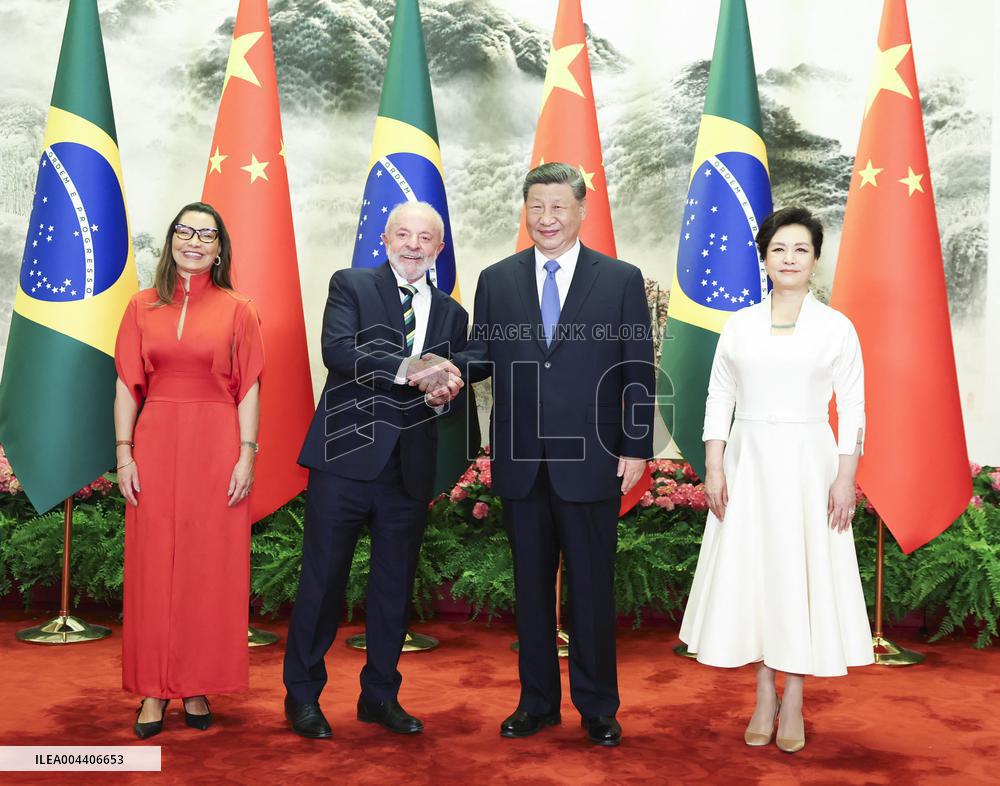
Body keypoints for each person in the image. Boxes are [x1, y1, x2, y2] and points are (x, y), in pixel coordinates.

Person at [454, 162, 654, 747]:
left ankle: (597, 708)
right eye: (536, 207)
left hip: (593, 457)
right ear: (526, 210)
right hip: (521, 460)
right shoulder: (497, 279)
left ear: (580, 210)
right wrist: (441, 370)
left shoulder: (619, 279)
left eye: (558, 207)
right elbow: (481, 355)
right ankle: (536, 702)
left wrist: (636, 446)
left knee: (591, 589)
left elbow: (636, 370)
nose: (546, 218)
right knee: (531, 589)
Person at [678, 206, 874, 753]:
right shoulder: (739, 326)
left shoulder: (836, 327)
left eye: (801, 250)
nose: (789, 259)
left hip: (811, 466)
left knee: (798, 576)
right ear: (763, 258)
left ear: (815, 260)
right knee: (758, 577)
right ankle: (764, 692)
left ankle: (794, 700)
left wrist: (844, 478)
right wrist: (715, 465)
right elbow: (720, 397)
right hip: (748, 464)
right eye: (779, 250)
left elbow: (853, 409)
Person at [283, 201, 467, 739]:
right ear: (385, 238)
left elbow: (447, 387)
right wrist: (409, 369)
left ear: (439, 248)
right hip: (344, 459)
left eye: (425, 238)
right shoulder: (352, 285)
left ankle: (380, 696)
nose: (413, 245)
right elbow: (337, 352)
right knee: (321, 583)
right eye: (403, 234)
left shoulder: (453, 314)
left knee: (393, 588)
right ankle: (302, 698)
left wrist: (441, 394)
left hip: (408, 469)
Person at [114, 202, 263, 739]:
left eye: (206, 235)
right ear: (171, 240)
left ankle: (196, 683)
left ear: (220, 248)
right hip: (154, 443)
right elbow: (126, 384)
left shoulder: (239, 308)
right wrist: (124, 452)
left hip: (217, 444)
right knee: (154, 568)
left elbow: (249, 387)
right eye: (185, 231)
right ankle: (154, 691)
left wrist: (247, 453)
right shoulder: (140, 306)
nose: (194, 241)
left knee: (206, 569)